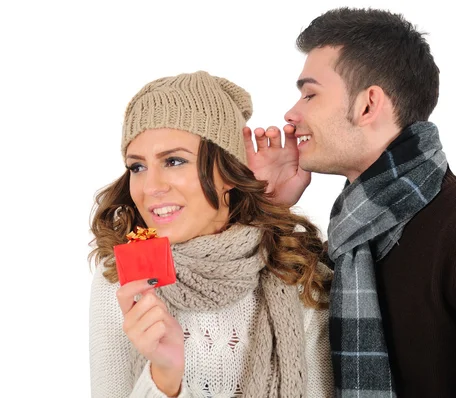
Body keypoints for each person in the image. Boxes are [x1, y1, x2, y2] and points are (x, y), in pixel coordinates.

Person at [243, 7, 456, 398]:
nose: (292, 114)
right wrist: (270, 207)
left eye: (310, 94)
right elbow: (258, 336)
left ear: (368, 104)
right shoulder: (347, 243)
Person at [88, 70, 334, 397]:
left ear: (230, 171)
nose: (151, 187)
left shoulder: (293, 270)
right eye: (137, 166)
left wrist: (269, 209)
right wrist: (164, 377)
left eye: (174, 161)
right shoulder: (120, 283)